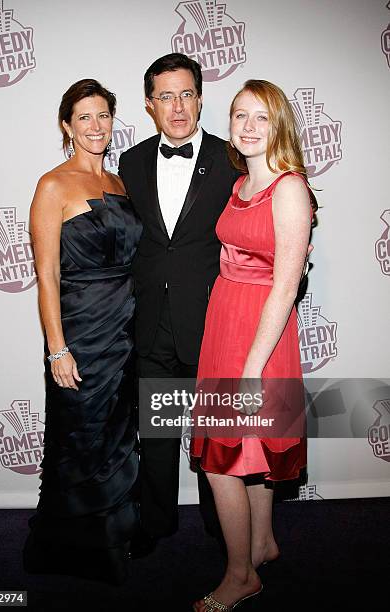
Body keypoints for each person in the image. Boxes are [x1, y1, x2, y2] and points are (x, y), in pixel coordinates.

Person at [191, 79, 317, 611]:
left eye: (261, 117)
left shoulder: (288, 188)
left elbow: (286, 286)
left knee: (221, 463)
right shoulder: (240, 184)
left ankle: (240, 575)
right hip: (226, 321)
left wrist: (250, 369)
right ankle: (262, 543)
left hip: (260, 335)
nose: (247, 126)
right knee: (253, 452)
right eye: (240, 115)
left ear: (280, 124)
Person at [119, 53, 240, 556]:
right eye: (165, 96)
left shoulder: (233, 157)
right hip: (150, 324)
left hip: (212, 321)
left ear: (200, 98)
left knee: (217, 434)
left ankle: (223, 526)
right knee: (160, 432)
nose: (177, 106)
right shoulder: (131, 161)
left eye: (186, 94)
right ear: (149, 105)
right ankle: (157, 522)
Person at [23, 79, 142, 584]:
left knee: (117, 438)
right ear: (67, 126)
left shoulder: (120, 184)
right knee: (79, 438)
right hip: (81, 330)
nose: (96, 126)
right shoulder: (52, 185)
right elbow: (46, 274)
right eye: (84, 117)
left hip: (126, 328)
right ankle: (71, 547)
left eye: (104, 115)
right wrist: (57, 349)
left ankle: (114, 539)